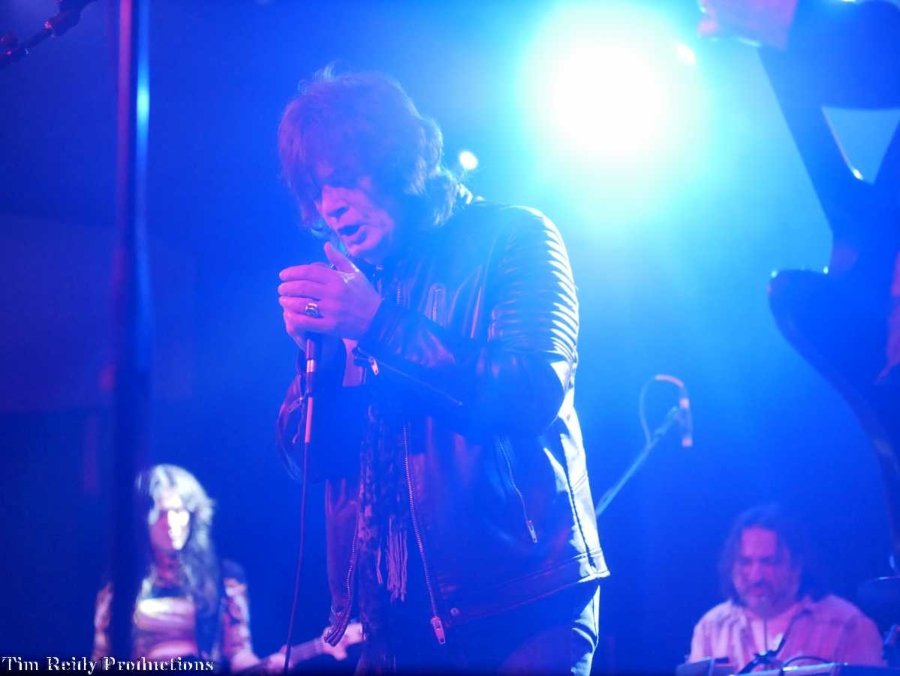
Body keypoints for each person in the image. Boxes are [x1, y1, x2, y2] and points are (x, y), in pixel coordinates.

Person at [275, 67, 608, 673]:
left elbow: (530, 391)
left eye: (343, 178)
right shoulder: (357, 284)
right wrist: (319, 366)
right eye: (317, 191)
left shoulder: (515, 236)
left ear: (398, 161)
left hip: (518, 606)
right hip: (393, 624)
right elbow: (311, 463)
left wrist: (377, 325)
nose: (329, 205)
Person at [91, 464, 261, 670]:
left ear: (192, 515)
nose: (170, 523)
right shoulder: (122, 579)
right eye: (161, 513)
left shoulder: (224, 577)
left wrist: (265, 667)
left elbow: (238, 651)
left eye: (178, 511)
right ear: (143, 520)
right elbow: (102, 654)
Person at [688, 504, 885, 669]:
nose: (756, 576)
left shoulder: (846, 625)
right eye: (746, 562)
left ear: (797, 565)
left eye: (769, 562)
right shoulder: (711, 628)